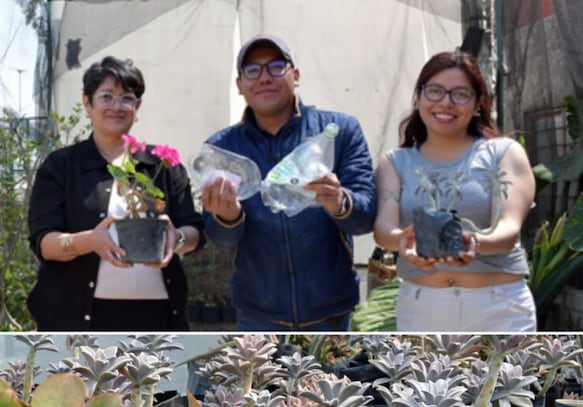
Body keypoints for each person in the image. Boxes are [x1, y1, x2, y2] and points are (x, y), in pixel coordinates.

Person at [201, 35, 376, 331]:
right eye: (252, 70)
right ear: (239, 85)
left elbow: (365, 218)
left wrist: (339, 201)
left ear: (296, 75)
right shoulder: (223, 149)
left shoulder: (339, 132)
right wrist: (227, 218)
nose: (264, 77)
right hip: (257, 314)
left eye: (276, 67)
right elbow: (221, 239)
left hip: (331, 313)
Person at [27, 56, 204, 331]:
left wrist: (177, 238)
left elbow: (194, 230)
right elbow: (44, 242)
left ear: (137, 106)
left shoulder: (162, 166)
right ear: (88, 103)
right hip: (77, 317)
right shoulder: (62, 166)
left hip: (158, 316)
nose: (116, 106)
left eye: (127, 98)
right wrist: (89, 241)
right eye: (106, 96)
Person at [373, 51, 536, 332]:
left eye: (460, 94)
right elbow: (383, 229)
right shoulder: (395, 162)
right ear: (418, 98)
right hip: (421, 305)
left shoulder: (503, 153)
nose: (446, 102)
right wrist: (403, 241)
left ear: (478, 104)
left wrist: (474, 242)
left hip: (499, 307)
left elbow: (509, 228)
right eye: (435, 91)